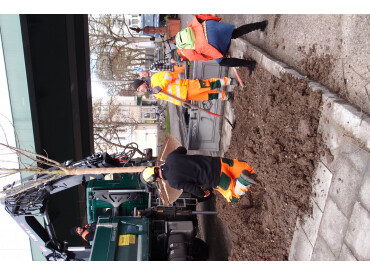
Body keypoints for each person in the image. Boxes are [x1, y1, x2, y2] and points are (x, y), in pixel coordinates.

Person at [139, 146, 257, 203]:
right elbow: (182, 149)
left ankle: (243, 181)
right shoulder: (170, 158)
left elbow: (192, 188)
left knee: (234, 197)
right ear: (155, 167)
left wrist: (202, 194)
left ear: (157, 180)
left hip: (217, 178)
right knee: (251, 167)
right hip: (219, 162)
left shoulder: (174, 182)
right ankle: (249, 172)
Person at [176, 14, 268, 74]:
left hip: (209, 39)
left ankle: (250, 64)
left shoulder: (187, 53)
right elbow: (198, 19)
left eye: (182, 60)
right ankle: (261, 24)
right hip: (209, 25)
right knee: (235, 33)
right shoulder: (180, 37)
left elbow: (205, 57)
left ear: (180, 57)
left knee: (222, 61)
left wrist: (219, 53)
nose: (184, 60)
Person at [133, 71, 235, 105]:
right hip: (184, 96)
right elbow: (169, 98)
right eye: (139, 91)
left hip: (186, 87)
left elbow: (170, 74)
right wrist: (180, 103)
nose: (141, 91)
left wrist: (160, 86)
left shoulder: (154, 78)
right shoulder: (154, 94)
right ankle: (225, 96)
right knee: (207, 96)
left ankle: (228, 81)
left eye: (139, 88)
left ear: (141, 83)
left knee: (208, 85)